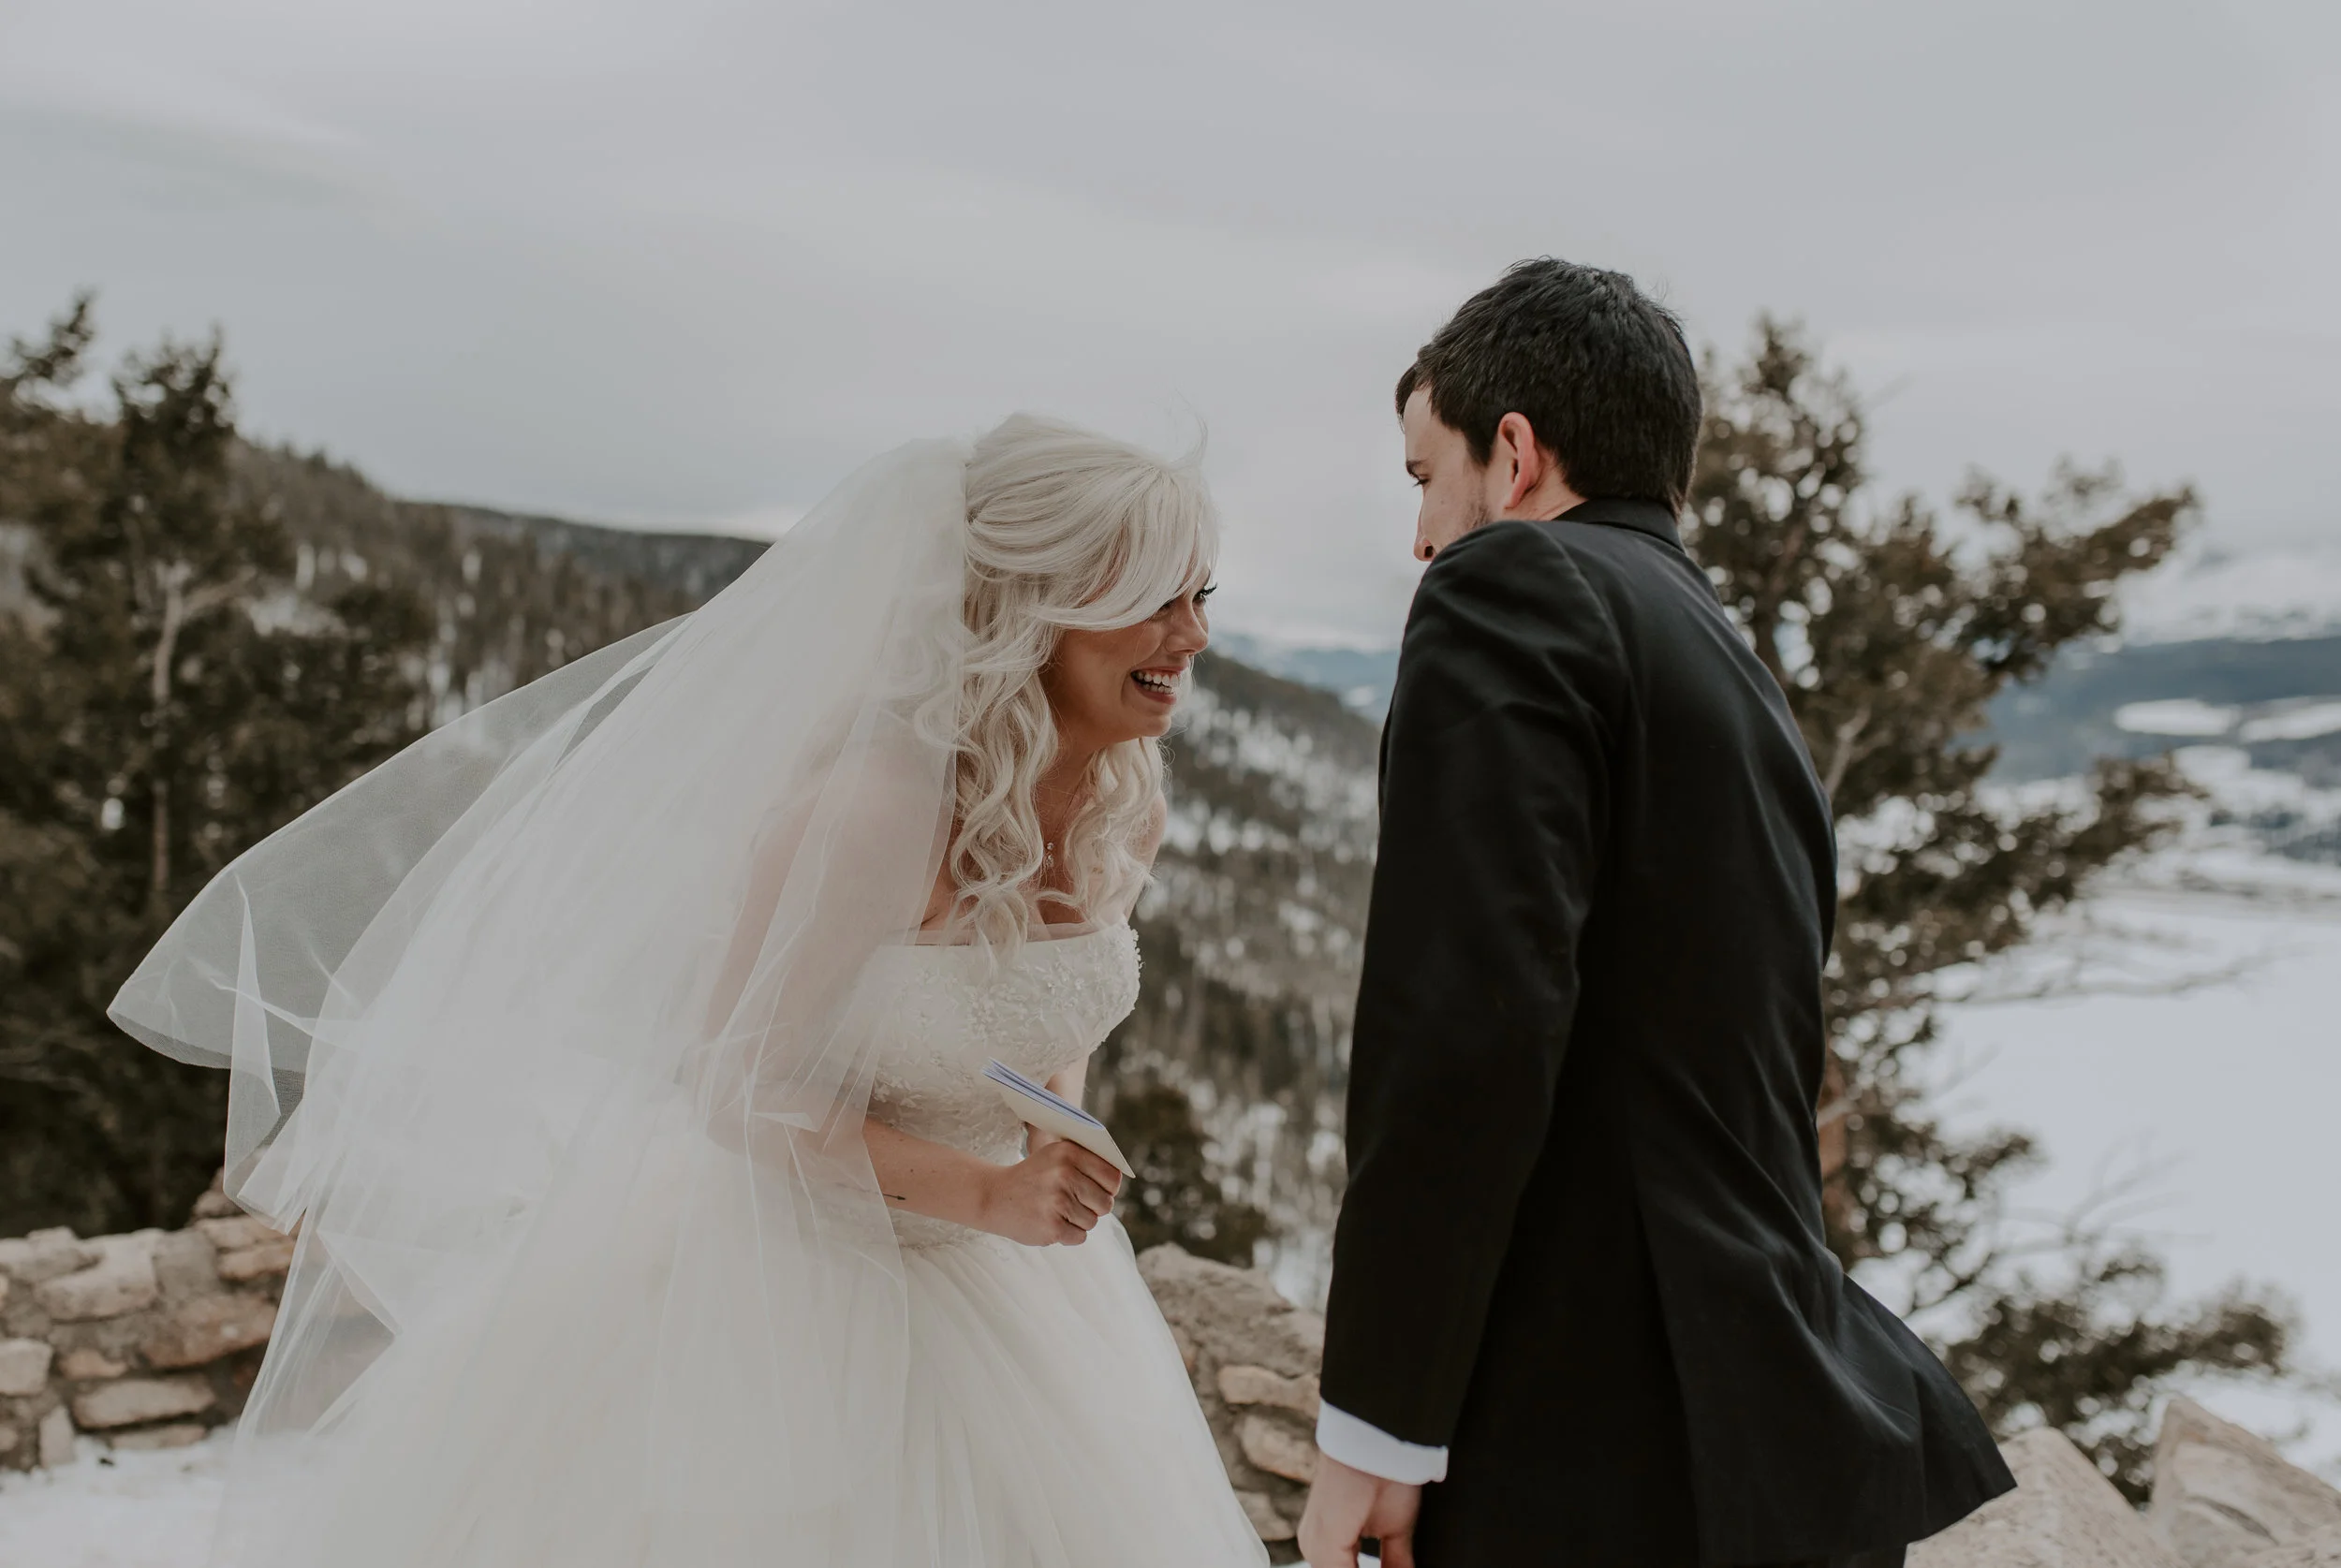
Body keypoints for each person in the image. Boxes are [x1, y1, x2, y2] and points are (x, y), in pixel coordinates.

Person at [111, 417, 1268, 1568]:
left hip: (1013, 1285)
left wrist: (1051, 1118)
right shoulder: (870, 810)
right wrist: (984, 1189)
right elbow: (730, 1079)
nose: (1194, 636)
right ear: (1031, 604)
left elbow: (1041, 1008)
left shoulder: (1126, 800)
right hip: (786, 1287)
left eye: (1201, 594)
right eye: (1155, 600)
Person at [1297, 261, 2016, 1567]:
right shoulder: (1724, 655)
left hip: (1588, 1425)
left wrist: (1378, 1426)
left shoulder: (1502, 588)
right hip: (1769, 1408)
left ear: (1512, 453)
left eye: (1423, 477)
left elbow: (1465, 1022)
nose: (1420, 537)